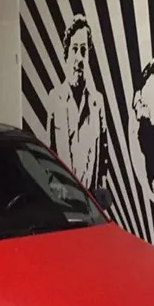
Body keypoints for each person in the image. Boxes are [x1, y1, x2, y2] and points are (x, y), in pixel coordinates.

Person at [46, 15, 108, 193]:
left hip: (90, 200)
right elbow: (48, 155)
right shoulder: (55, 99)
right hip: (63, 198)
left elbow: (103, 159)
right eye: (74, 49)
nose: (79, 57)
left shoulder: (97, 102)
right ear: (66, 55)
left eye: (83, 50)